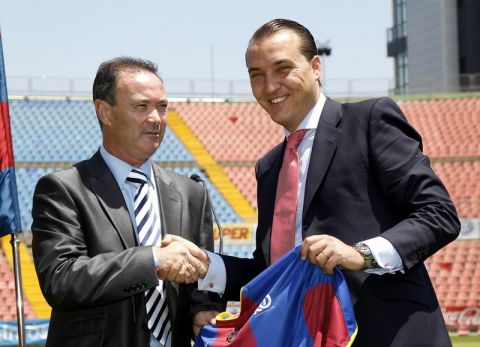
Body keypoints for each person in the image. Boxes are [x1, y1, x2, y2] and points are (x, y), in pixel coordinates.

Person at [196, 19, 460, 346]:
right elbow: (273, 271)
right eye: (256, 75)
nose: (269, 86)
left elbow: (439, 214)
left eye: (282, 68)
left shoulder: (369, 120)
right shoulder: (268, 168)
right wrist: (205, 265)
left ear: (316, 66)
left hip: (384, 335)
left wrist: (360, 254)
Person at [31, 57, 222, 347]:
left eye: (162, 107)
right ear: (104, 112)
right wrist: (153, 260)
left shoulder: (191, 192)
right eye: (141, 107)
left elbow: (200, 280)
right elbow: (61, 280)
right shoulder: (63, 188)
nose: (156, 119)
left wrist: (201, 310)